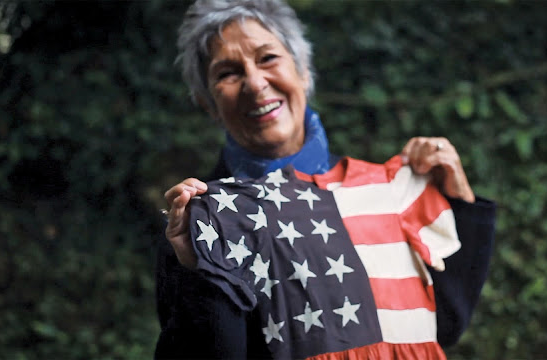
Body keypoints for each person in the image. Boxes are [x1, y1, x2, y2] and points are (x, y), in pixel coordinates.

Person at [155, 0, 496, 359]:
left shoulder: (381, 191)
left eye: (268, 58)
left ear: (303, 70)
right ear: (208, 103)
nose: (255, 84)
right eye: (227, 73)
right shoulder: (196, 225)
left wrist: (459, 202)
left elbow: (443, 326)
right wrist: (201, 268)